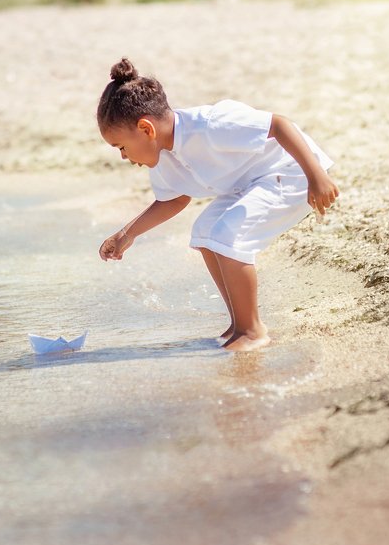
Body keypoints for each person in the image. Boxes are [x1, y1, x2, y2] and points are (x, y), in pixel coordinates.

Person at [96, 58, 339, 352]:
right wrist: (127, 234)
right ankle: (239, 324)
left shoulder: (210, 125)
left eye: (121, 147)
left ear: (146, 129)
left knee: (227, 234)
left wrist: (316, 175)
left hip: (292, 172)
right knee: (205, 231)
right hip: (249, 185)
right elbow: (174, 199)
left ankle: (252, 331)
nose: (123, 156)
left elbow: (279, 125)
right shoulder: (163, 155)